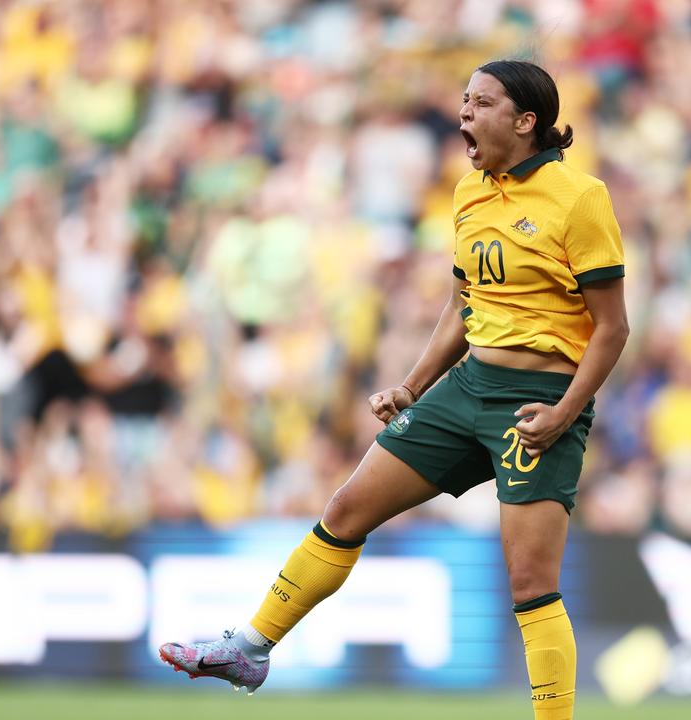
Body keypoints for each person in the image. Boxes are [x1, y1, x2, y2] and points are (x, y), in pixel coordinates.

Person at [158, 59, 629, 720]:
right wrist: (412, 386)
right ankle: (251, 648)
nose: (465, 113)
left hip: (537, 401)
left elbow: (612, 327)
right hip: (465, 388)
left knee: (531, 582)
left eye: (483, 102)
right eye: (464, 100)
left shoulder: (580, 197)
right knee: (347, 507)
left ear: (526, 121)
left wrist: (564, 412)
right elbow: (464, 306)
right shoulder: (469, 193)